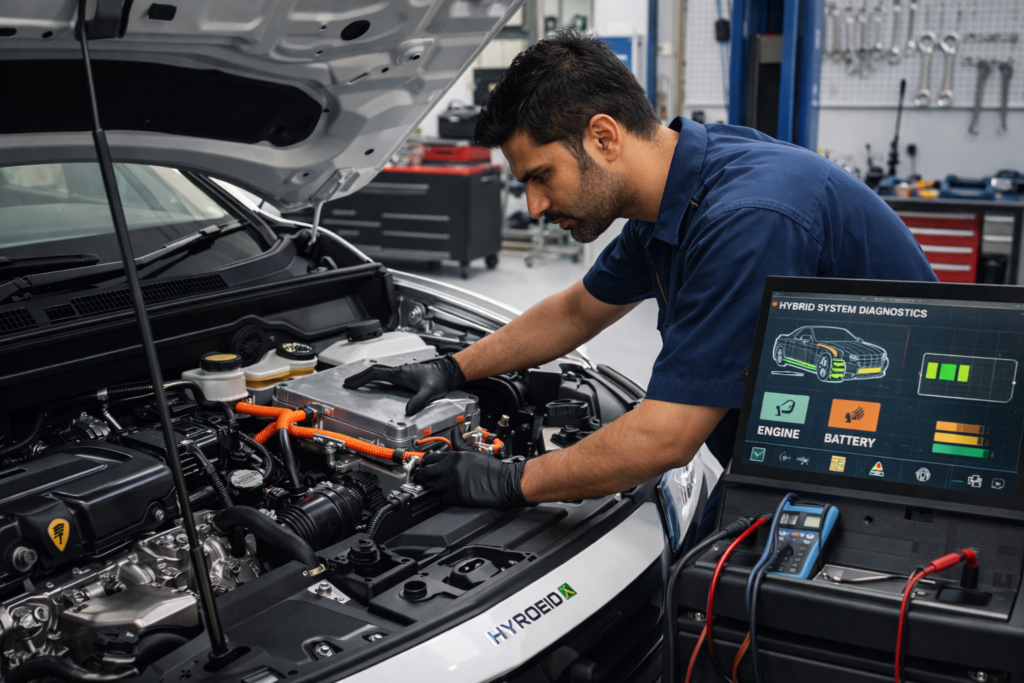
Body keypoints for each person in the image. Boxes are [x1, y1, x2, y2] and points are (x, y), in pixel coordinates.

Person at [344, 29, 937, 528]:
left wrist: (510, 479)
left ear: (604, 138)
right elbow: (578, 310)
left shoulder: (745, 221)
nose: (534, 206)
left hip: (885, 481)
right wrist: (451, 368)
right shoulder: (679, 190)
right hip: (794, 454)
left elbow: (664, 437)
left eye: (542, 175)